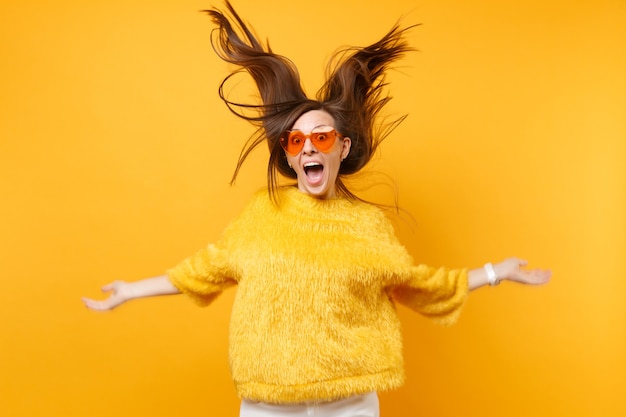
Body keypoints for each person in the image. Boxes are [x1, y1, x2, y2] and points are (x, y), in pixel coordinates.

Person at [82, 2, 551, 416]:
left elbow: (419, 284)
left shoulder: (368, 225)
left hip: (349, 402)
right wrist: (129, 290)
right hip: (267, 400)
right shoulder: (261, 214)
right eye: (297, 140)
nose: (309, 147)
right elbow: (201, 271)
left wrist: (496, 272)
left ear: (341, 148)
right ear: (288, 154)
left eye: (321, 138)